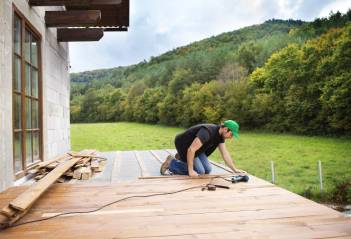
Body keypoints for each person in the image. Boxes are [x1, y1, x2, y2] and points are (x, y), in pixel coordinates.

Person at [160, 120, 246, 177]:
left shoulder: (220, 137)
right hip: (184, 144)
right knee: (200, 171)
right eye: (231, 134)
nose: (231, 137)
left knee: (207, 170)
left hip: (197, 148)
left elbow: (225, 153)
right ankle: (171, 163)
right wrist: (190, 171)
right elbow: (191, 149)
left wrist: (235, 170)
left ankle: (181, 157)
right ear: (225, 129)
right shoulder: (207, 132)